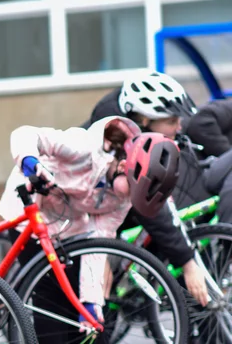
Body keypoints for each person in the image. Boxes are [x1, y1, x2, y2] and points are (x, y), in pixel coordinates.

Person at [0, 117, 181, 342]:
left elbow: (99, 242)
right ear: (124, 166)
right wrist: (30, 162)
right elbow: (25, 133)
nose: (127, 198)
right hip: (29, 211)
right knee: (51, 294)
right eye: (131, 189)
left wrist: (91, 302)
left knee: (75, 300)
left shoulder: (124, 197)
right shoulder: (83, 147)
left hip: (67, 224)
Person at [81, 70, 210, 307]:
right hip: (67, 220)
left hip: (100, 219)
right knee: (94, 304)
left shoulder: (141, 136)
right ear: (144, 121)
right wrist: (188, 263)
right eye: (172, 121)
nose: (179, 128)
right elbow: (152, 206)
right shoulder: (111, 145)